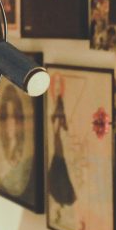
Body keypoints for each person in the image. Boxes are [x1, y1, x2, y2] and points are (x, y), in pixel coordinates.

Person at [47, 74, 76, 222]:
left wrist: (60, 124)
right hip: (57, 140)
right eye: (55, 86)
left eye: (59, 85)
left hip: (61, 141)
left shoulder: (63, 104)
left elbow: (66, 125)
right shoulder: (52, 104)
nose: (57, 89)